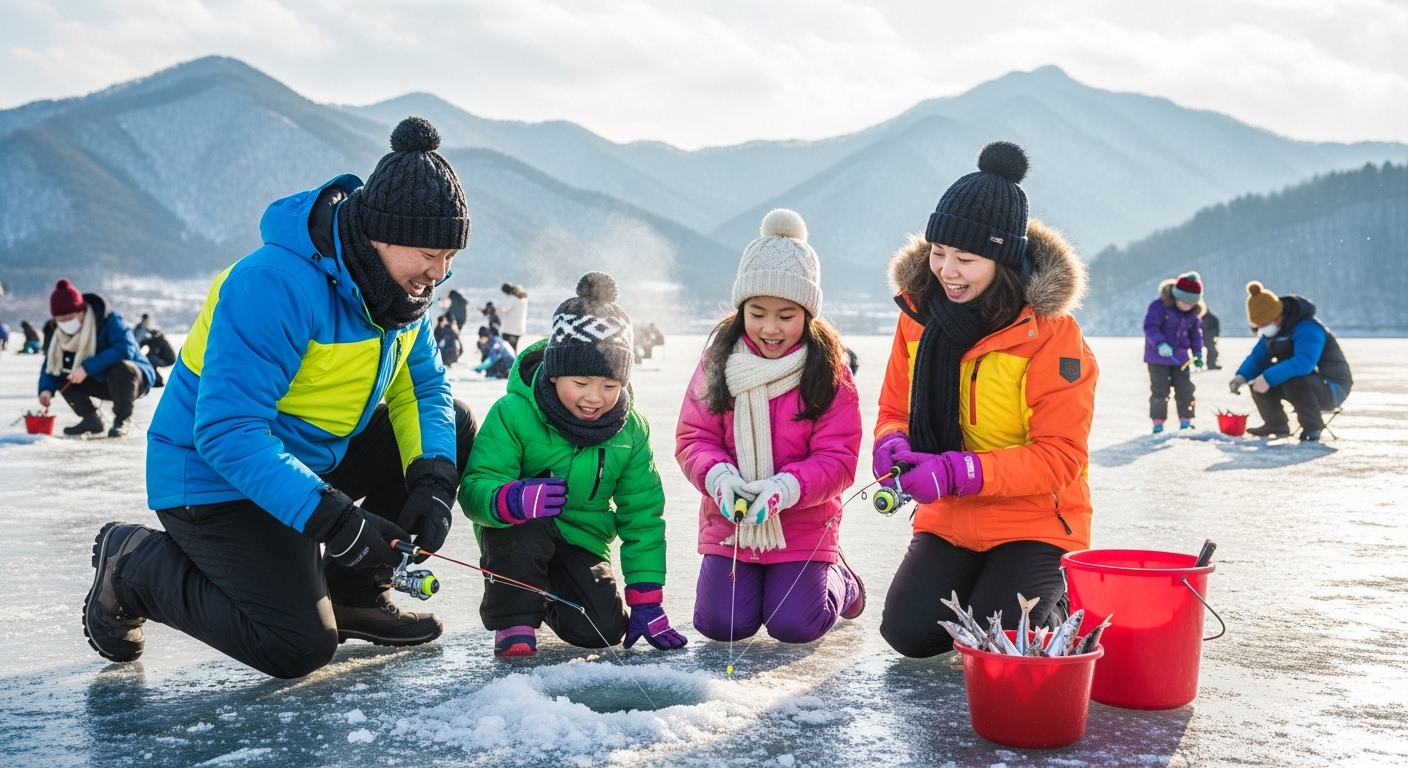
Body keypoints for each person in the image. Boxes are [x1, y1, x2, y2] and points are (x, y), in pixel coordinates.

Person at [81, 117, 478, 678]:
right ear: (377, 234)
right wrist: (338, 524)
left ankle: (356, 595)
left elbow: (426, 388)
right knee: (296, 646)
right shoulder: (274, 284)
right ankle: (134, 567)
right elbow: (226, 433)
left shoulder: (400, 292)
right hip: (212, 478)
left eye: (449, 259)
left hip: (309, 463)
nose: (437, 276)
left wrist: (433, 483)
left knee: (450, 427)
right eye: (428, 255)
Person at [874, 142, 1097, 658]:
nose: (946, 271)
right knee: (909, 634)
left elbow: (1060, 457)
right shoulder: (917, 317)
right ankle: (978, 582)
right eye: (938, 253)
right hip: (951, 518)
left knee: (1004, 645)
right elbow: (893, 411)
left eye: (966, 259)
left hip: (1034, 521)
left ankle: (1056, 601)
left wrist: (960, 471)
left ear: (1002, 259)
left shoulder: (1050, 335)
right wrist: (892, 443)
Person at [460, 272, 685, 658]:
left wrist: (646, 597)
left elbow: (642, 515)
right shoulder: (514, 412)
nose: (594, 397)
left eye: (610, 386)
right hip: (518, 534)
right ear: (554, 371)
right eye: (580, 382)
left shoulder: (631, 430)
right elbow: (476, 485)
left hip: (582, 540)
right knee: (521, 533)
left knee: (603, 630)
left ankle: (546, 597)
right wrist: (509, 499)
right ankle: (515, 619)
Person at [676, 209, 865, 645]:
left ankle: (841, 577)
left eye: (786, 314)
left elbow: (839, 460)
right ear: (742, 308)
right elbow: (694, 438)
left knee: (795, 626)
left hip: (802, 522)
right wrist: (720, 479)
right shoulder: (718, 364)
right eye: (758, 312)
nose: (770, 327)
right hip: (733, 521)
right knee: (720, 626)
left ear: (808, 314)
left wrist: (785, 488)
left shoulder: (828, 373)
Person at [1230, 281, 1351, 442]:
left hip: (1333, 388)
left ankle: (1313, 427)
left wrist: (1268, 378)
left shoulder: (1309, 328)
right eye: (1257, 327)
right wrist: (1242, 376)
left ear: (1278, 318)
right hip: (1304, 385)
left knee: (1292, 380)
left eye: (1263, 325)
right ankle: (1276, 424)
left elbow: (1304, 362)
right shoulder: (1272, 334)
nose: (1261, 330)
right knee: (1258, 381)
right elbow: (1257, 358)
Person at [38, 279, 156, 438]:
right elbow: (52, 364)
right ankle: (91, 419)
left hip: (131, 381)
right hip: (99, 381)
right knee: (64, 377)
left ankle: (122, 419)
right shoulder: (58, 334)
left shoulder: (110, 320)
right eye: (61, 320)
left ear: (81, 311)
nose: (66, 324)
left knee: (123, 368)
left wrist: (87, 368)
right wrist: (46, 389)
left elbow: (125, 348)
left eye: (69, 318)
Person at [1144, 271, 1205, 433]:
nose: (1186, 305)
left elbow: (1195, 335)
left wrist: (1198, 353)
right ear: (1176, 296)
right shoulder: (1158, 306)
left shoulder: (1192, 314)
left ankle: (1186, 421)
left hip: (1181, 358)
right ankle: (1158, 422)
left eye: (1190, 303)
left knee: (1185, 389)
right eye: (1183, 301)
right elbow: (1150, 327)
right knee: (1160, 390)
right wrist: (1160, 344)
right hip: (1157, 358)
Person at [497, 282, 528, 351]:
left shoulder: (512, 298)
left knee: (509, 350)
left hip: (510, 329)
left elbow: (504, 308)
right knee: (514, 349)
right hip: (519, 329)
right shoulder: (523, 298)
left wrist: (497, 308)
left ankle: (511, 361)